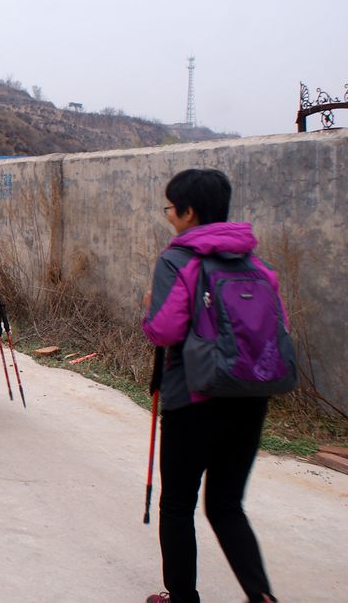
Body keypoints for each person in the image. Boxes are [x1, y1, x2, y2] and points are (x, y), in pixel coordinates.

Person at [141, 169, 279, 603]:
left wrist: (148, 310)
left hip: (193, 399)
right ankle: (261, 596)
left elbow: (164, 332)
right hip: (251, 397)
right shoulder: (257, 265)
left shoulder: (178, 260)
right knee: (226, 504)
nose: (169, 218)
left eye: (171, 209)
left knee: (178, 505)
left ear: (189, 212)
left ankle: (182, 598)